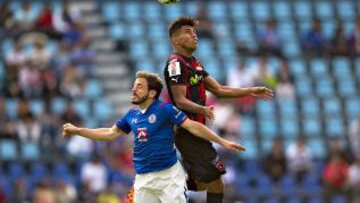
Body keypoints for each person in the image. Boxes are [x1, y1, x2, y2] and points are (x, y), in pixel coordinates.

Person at [62, 71, 245, 203]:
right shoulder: (131, 115)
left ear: (152, 93)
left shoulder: (165, 109)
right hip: (143, 179)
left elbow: (193, 126)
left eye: (139, 87)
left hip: (169, 178)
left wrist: (222, 141)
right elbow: (109, 133)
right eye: (134, 86)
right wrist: (78, 130)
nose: (134, 90)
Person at [163, 17, 273, 203]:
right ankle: (161, 186)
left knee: (213, 183)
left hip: (198, 131)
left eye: (194, 31)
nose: (194, 35)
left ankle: (163, 185)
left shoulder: (195, 64)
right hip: (186, 130)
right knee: (215, 181)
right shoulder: (176, 63)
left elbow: (219, 89)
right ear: (176, 40)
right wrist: (202, 109)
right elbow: (180, 101)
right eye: (188, 32)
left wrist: (250, 90)